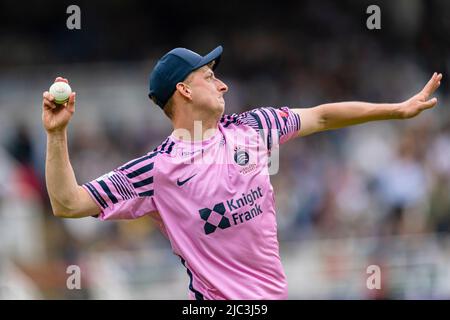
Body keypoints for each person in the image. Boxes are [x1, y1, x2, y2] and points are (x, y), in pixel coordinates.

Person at [42, 45, 442, 300]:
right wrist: (57, 135)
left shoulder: (254, 128)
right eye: (210, 76)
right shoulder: (155, 170)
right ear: (184, 90)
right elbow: (67, 203)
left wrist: (396, 109)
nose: (224, 85)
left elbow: (321, 116)